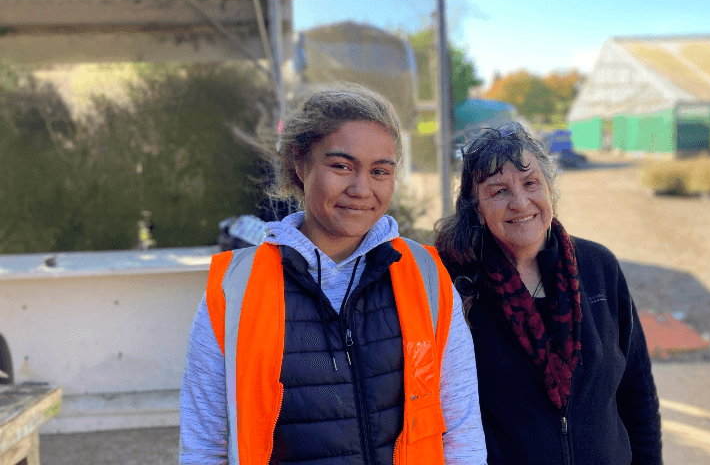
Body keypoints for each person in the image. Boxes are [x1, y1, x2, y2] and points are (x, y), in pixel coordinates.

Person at [180, 86, 486, 465]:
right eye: (341, 166)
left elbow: (461, 431)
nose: (361, 189)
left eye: (380, 171)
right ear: (299, 163)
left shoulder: (427, 277)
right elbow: (204, 446)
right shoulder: (234, 290)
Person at [434, 123, 662, 465]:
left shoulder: (599, 267)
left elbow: (637, 389)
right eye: (499, 192)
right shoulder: (455, 284)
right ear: (476, 208)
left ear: (549, 190)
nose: (520, 202)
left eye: (530, 184)